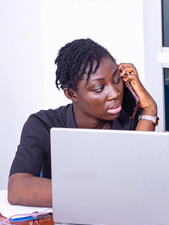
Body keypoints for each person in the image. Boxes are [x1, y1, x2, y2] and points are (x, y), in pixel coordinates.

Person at [8, 38, 158, 207]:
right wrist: (100, 192)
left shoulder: (131, 118)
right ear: (72, 94)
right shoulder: (44, 124)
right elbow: (18, 189)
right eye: (99, 88)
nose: (115, 94)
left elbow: (138, 181)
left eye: (117, 80)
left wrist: (150, 110)